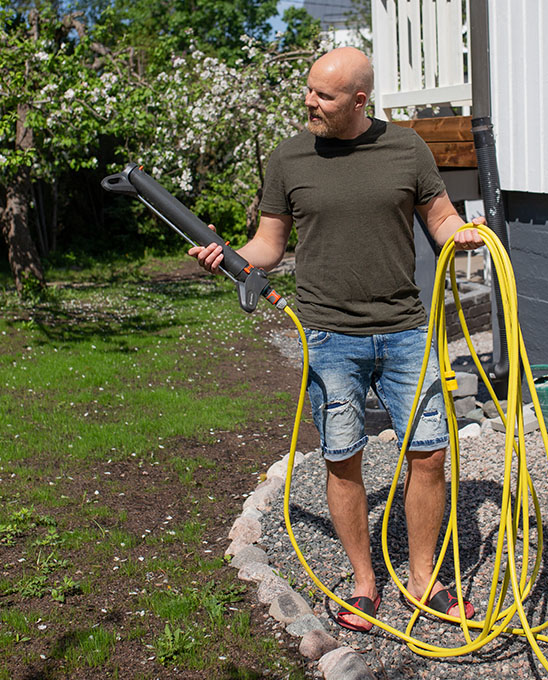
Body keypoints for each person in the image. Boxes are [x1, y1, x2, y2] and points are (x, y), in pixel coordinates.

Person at [190, 46, 485, 632]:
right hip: (329, 334)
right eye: (308, 90)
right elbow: (269, 244)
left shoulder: (407, 148)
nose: (309, 103)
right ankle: (365, 582)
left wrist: (465, 233)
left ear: (359, 99)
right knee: (342, 457)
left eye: (323, 96)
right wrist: (230, 258)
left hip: (404, 330)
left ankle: (424, 579)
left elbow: (442, 218)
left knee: (428, 454)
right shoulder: (289, 157)